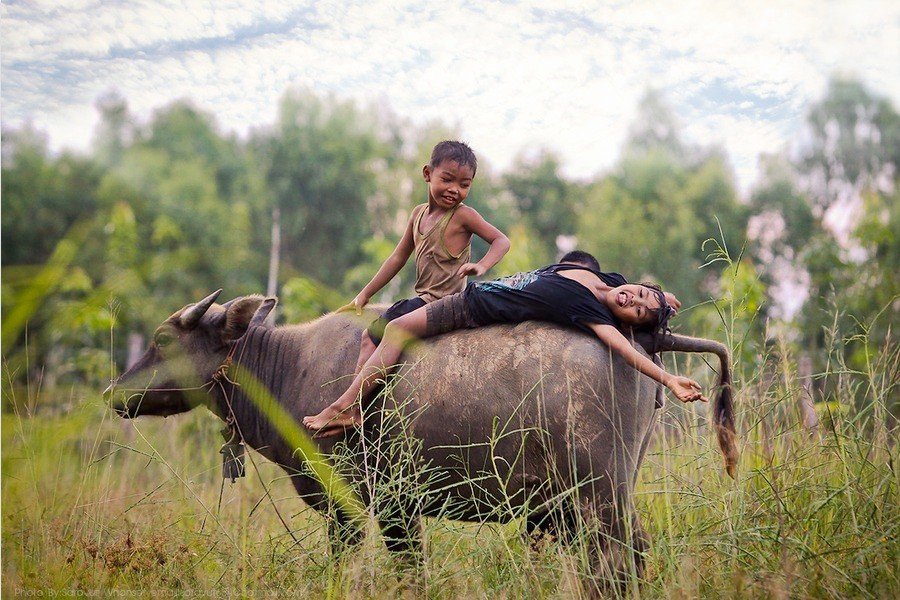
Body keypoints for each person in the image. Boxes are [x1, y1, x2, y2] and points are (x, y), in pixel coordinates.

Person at [304, 251, 703, 436]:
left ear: (626, 322)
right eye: (639, 294)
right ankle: (356, 403)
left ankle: (347, 406)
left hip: (470, 308)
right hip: (474, 292)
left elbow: (625, 350)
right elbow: (651, 297)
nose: (632, 301)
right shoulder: (610, 281)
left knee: (395, 330)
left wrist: (668, 380)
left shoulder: (591, 312)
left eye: (637, 312)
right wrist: (664, 301)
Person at [345, 140, 510, 377]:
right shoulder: (418, 214)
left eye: (464, 185)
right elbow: (397, 258)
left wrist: (482, 265)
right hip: (423, 300)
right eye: (447, 179)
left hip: (442, 303)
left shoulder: (464, 216)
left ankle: (356, 398)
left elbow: (501, 241)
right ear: (427, 174)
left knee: (369, 337)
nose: (454, 189)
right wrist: (365, 294)